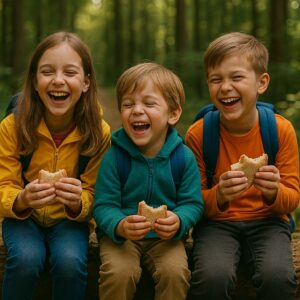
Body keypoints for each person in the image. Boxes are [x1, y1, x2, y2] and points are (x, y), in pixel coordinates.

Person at [185, 32, 300, 300]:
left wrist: (273, 192)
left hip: (269, 223)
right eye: (216, 79)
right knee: (212, 277)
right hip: (217, 224)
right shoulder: (198, 134)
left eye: (236, 77)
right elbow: (191, 201)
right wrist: (220, 195)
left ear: (262, 83)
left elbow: (292, 199)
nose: (225, 87)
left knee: (278, 278)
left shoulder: (280, 131)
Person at [0, 31, 111, 300]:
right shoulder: (12, 126)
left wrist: (78, 202)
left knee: (70, 262)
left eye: (70, 72)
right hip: (23, 217)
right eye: (47, 71)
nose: (58, 80)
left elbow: (98, 194)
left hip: (68, 221)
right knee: (26, 259)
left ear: (86, 82)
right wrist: (22, 199)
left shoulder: (99, 132)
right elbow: (3, 184)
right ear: (35, 82)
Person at [93, 62, 203, 300]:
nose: (137, 110)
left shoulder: (183, 158)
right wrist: (120, 225)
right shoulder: (114, 157)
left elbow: (193, 203)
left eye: (149, 103)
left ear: (173, 114)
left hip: (166, 239)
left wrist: (179, 220)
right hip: (121, 238)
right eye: (128, 104)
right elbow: (103, 205)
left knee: (176, 273)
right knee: (118, 273)